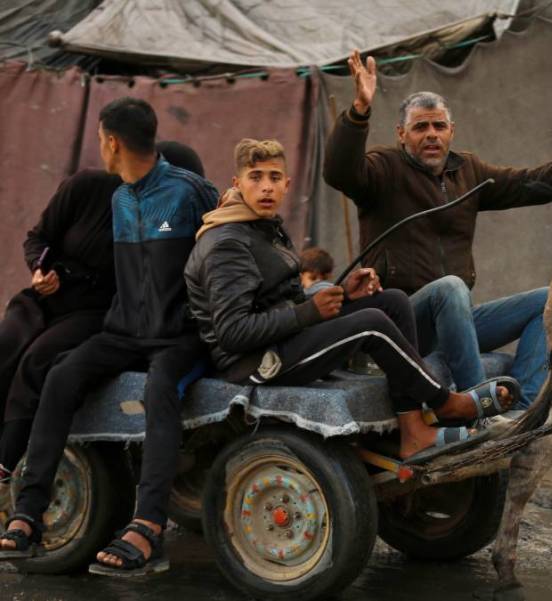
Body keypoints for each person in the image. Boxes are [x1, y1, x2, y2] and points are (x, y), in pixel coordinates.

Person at [184, 138, 518, 461]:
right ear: (237, 183)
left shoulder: (265, 228)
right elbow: (233, 333)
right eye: (255, 177)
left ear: (287, 184)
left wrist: (343, 295)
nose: (266, 187)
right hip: (254, 362)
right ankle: (444, 400)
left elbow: (285, 298)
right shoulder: (227, 242)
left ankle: (412, 427)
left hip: (284, 339)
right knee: (370, 325)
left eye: (274, 178)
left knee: (393, 302)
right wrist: (309, 313)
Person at [323, 49, 552, 410]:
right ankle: (479, 407)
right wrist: (359, 111)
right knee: (450, 288)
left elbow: (531, 183)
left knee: (549, 298)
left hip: (456, 317)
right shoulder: (384, 169)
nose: (431, 135)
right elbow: (339, 171)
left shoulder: (469, 171)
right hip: (405, 321)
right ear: (401, 135)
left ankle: (519, 416)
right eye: (420, 127)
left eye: (438, 126)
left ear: (451, 131)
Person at [0, 98, 217, 577]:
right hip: (124, 332)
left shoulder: (190, 192)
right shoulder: (119, 197)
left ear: (112, 142)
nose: (100, 147)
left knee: (160, 392)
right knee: (59, 376)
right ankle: (27, 515)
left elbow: (229, 245)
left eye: (101, 139)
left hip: (177, 336)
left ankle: (148, 526)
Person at [0, 141, 205, 493]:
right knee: (5, 348)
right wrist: (39, 268)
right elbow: (38, 237)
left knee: (37, 362)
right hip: (41, 300)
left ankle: (6, 461)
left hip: (93, 312)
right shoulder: (87, 187)